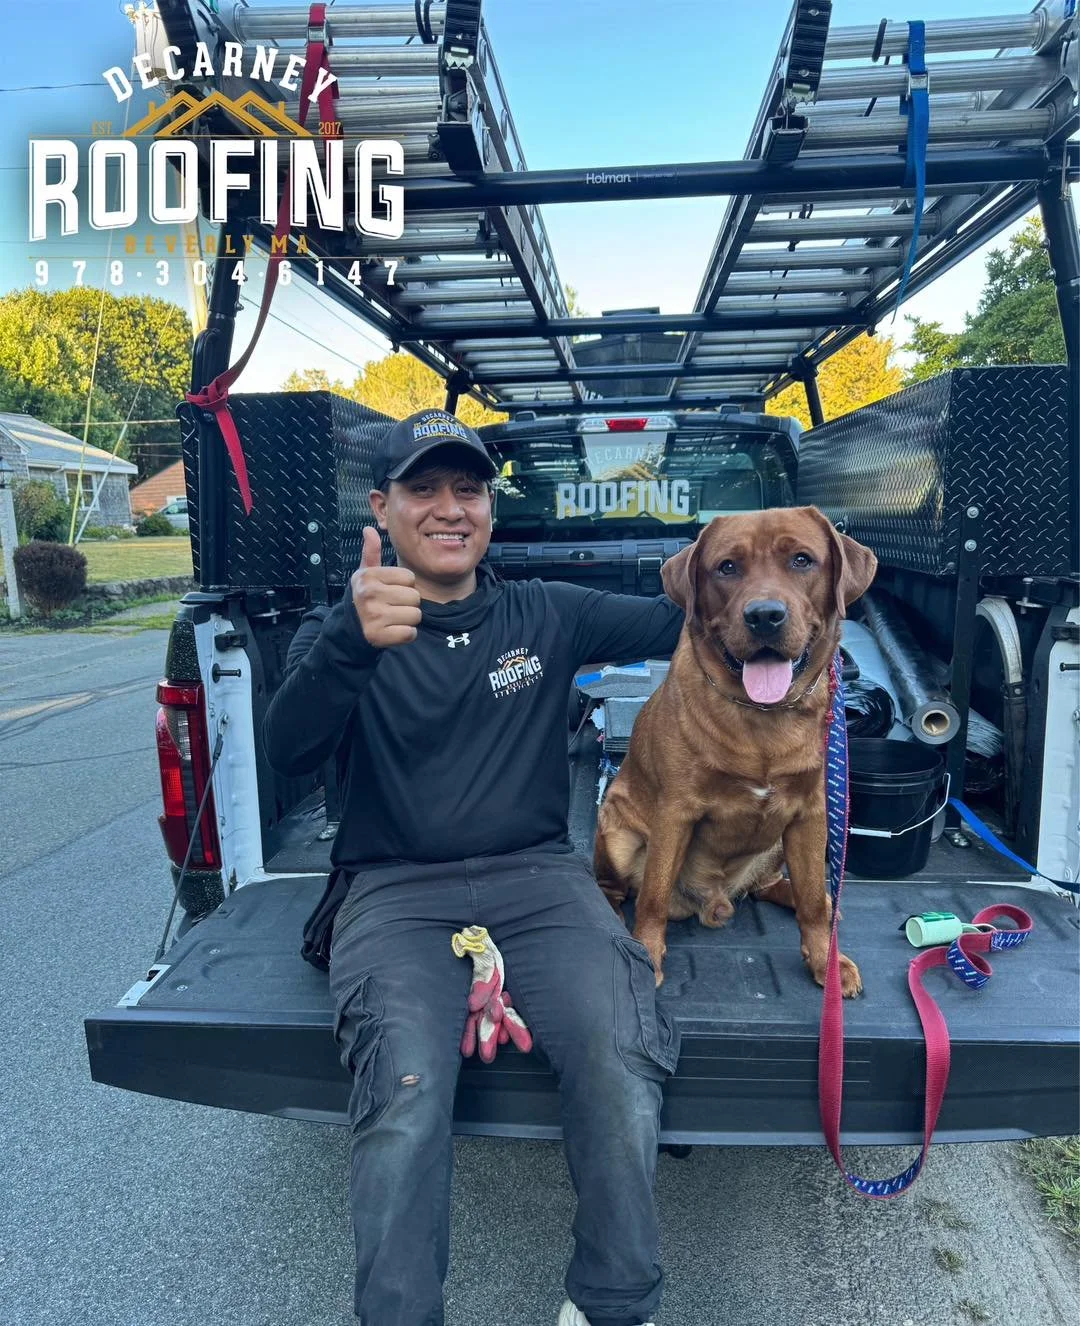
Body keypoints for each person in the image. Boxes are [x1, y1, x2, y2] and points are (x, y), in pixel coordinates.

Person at [263, 408, 685, 1326]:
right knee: (406, 1094)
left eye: (470, 489)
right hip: (391, 889)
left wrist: (787, 567)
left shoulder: (547, 611)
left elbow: (687, 618)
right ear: (382, 507)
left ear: (491, 509)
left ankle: (615, 1303)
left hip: (540, 881)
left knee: (620, 1059)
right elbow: (287, 754)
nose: (451, 508)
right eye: (424, 488)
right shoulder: (340, 631)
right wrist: (347, 642)